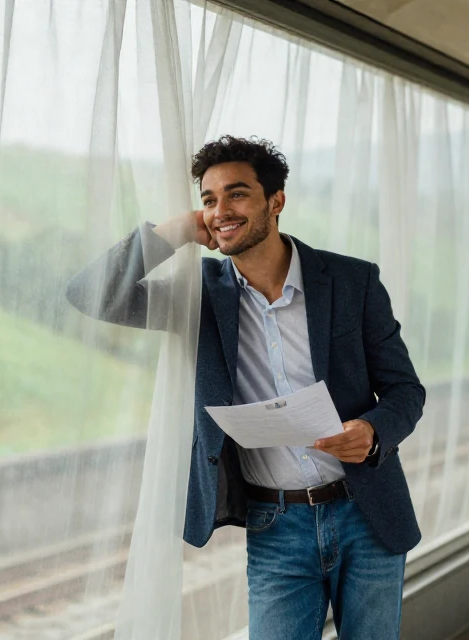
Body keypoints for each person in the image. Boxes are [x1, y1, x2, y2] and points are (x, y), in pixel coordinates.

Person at [66, 135, 425, 639]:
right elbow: (91, 295)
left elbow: (406, 390)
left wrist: (372, 431)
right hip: (275, 525)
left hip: (366, 512)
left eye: (236, 194)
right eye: (209, 199)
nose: (220, 210)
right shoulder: (200, 296)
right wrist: (176, 231)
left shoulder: (352, 281)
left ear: (276, 201)